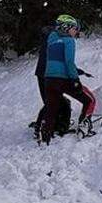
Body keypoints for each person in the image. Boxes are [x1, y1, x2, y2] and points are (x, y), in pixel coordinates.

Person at [39, 15, 96, 143]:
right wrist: (75, 80)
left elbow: (57, 61)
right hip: (63, 80)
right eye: (74, 28)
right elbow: (69, 62)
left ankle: (45, 135)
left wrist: (78, 71)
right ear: (66, 27)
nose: (76, 31)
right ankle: (84, 127)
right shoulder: (69, 41)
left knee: (51, 107)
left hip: (48, 80)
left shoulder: (51, 40)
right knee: (89, 100)